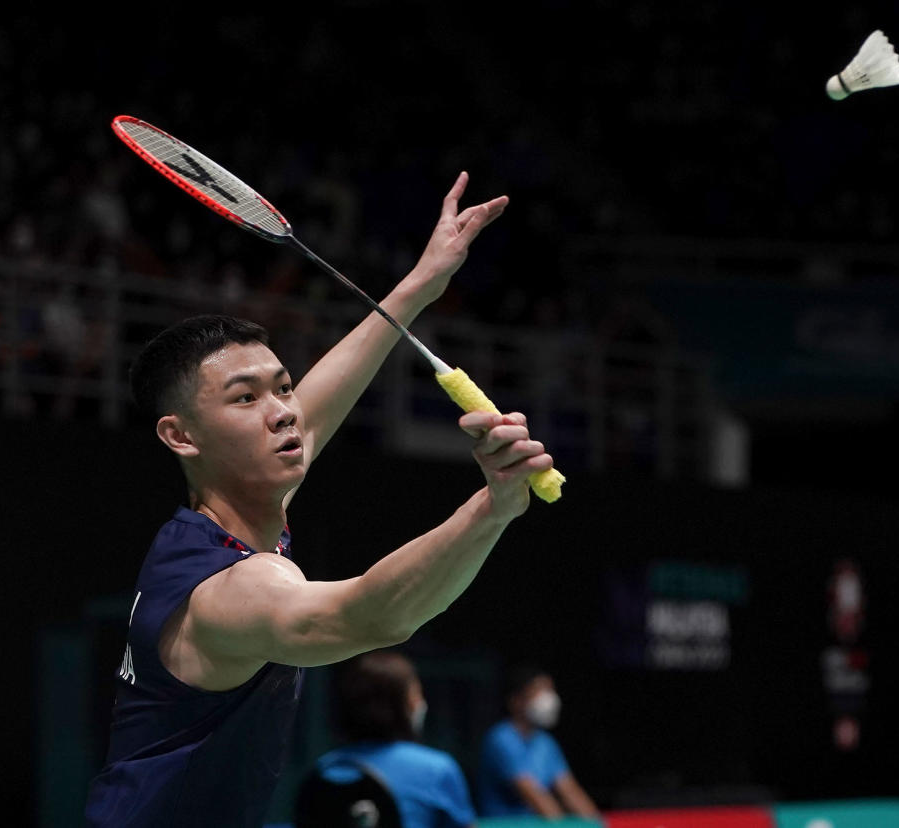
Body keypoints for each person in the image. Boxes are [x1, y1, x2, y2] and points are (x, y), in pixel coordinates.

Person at [84, 173, 558, 828]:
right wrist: (494, 506)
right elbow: (368, 617)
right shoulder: (233, 587)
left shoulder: (218, 518)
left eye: (281, 387)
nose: (281, 413)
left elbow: (308, 417)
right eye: (246, 399)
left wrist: (420, 284)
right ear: (180, 435)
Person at [299, 650, 476, 828]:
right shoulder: (438, 770)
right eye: (416, 694)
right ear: (405, 704)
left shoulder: (326, 769)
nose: (420, 703)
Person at [476, 666, 600, 819]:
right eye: (538, 691)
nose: (547, 699)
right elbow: (537, 799)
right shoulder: (501, 739)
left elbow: (570, 791)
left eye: (549, 690)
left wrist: (598, 824)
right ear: (516, 700)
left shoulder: (546, 742)